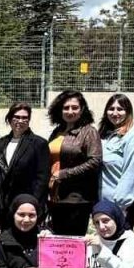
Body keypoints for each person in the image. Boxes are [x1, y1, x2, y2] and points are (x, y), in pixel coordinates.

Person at [46, 90, 102, 236]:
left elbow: (95, 161)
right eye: (66, 107)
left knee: (73, 243)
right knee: (57, 242)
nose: (70, 111)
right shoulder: (57, 131)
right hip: (55, 197)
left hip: (77, 199)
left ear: (82, 109)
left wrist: (64, 174)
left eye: (74, 107)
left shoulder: (89, 132)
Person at [0, 102, 50, 231]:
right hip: (3, 206)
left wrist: (33, 204)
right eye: (16, 117)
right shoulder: (0, 144)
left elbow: (42, 179)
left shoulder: (39, 144)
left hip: (26, 208)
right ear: (9, 118)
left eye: (24, 118)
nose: (20, 121)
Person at [98, 93, 134, 228]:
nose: (115, 113)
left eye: (120, 109)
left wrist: (120, 205)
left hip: (122, 206)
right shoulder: (106, 135)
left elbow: (132, 174)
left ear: (128, 112)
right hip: (105, 204)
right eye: (111, 109)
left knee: (121, 245)